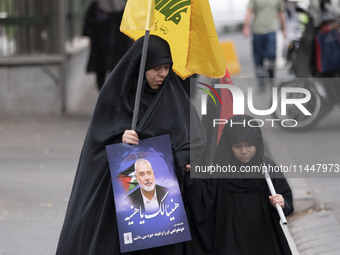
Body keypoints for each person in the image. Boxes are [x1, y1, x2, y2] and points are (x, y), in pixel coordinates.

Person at [56, 35, 205, 255]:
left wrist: (186, 160)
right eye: (156, 68)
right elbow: (97, 145)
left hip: (164, 209)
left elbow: (196, 142)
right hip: (118, 204)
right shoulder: (116, 96)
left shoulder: (176, 99)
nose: (163, 74)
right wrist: (120, 140)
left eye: (167, 67)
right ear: (141, 66)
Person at [184, 115, 293, 255]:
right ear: (229, 146)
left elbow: (285, 202)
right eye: (237, 146)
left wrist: (281, 203)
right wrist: (190, 177)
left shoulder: (268, 169)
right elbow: (201, 200)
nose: (244, 151)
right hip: (229, 239)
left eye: (249, 145)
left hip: (264, 237)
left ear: (258, 143)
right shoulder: (217, 171)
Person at [83, 0, 133, 90]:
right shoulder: (96, 7)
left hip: (121, 49)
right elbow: (89, 29)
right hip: (101, 49)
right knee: (101, 77)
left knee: (119, 77)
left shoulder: (127, 6)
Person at [243, 0, 286, 92]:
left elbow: (280, 13)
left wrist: (283, 28)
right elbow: (249, 11)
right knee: (258, 59)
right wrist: (246, 26)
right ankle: (261, 83)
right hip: (257, 31)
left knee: (271, 55)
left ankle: (271, 76)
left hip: (271, 30)